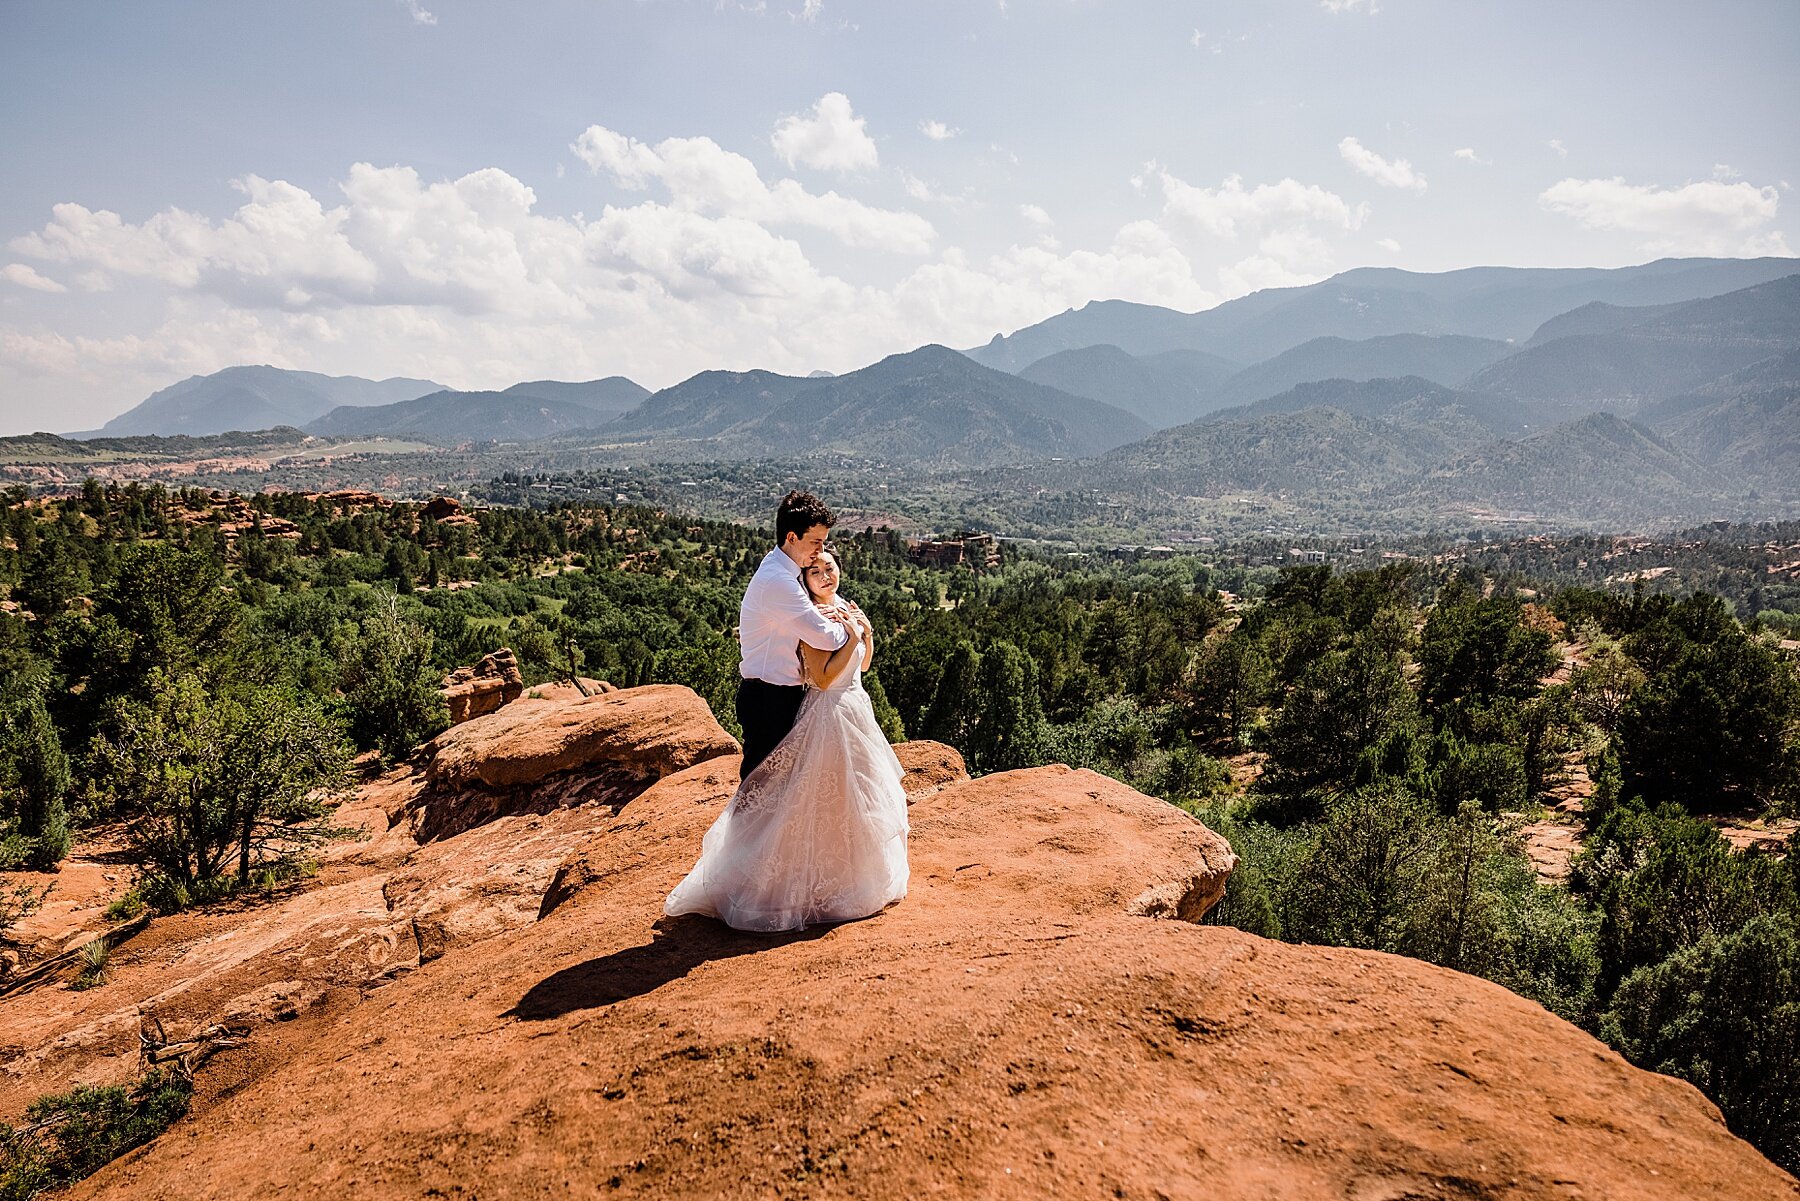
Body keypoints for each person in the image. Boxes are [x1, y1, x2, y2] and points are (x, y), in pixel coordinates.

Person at [664, 542, 910, 932]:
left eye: (830, 567)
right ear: (805, 582)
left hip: (856, 710)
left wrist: (865, 631)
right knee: (815, 803)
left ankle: (853, 878)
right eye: (816, 572)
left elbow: (863, 662)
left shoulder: (843, 607)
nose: (826, 575)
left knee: (855, 800)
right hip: (828, 715)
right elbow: (825, 678)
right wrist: (848, 634)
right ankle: (803, 888)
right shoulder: (812, 618)